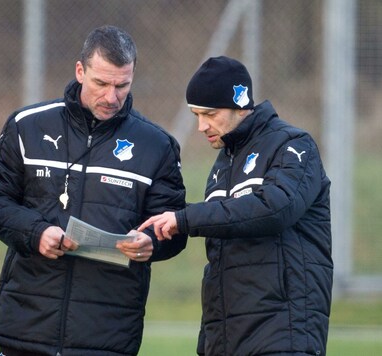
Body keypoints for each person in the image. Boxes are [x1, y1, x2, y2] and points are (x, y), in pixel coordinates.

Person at [0, 25, 187, 356]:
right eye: (101, 83)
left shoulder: (156, 145)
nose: (112, 97)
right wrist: (35, 232)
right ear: (80, 71)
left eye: (122, 85)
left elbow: (172, 225)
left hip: (107, 333)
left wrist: (152, 243)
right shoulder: (27, 126)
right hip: (28, 326)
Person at [138, 56, 333, 356]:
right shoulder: (222, 165)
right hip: (227, 340)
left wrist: (186, 218)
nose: (202, 126)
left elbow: (275, 208)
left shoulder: (294, 146)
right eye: (196, 115)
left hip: (282, 336)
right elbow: (220, 256)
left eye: (210, 114)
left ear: (240, 102)